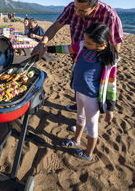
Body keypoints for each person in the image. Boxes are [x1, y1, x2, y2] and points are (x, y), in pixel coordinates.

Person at [32, 0, 123, 113]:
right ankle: (78, 105)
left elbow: (116, 43)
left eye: (82, 11)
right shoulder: (71, 8)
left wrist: (109, 66)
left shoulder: (110, 16)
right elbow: (55, 26)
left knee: (92, 92)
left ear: (95, 6)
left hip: (97, 63)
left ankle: (90, 114)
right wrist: (42, 44)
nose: (77, 13)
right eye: (76, 8)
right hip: (77, 57)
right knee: (78, 82)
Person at [47, 23, 119, 161]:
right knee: (80, 117)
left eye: (89, 43)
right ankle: (76, 140)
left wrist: (111, 108)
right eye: (85, 40)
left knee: (92, 125)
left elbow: (111, 86)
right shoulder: (82, 46)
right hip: (79, 92)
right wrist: (47, 48)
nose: (84, 44)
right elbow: (66, 48)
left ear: (102, 45)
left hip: (92, 97)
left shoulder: (109, 60)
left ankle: (88, 154)